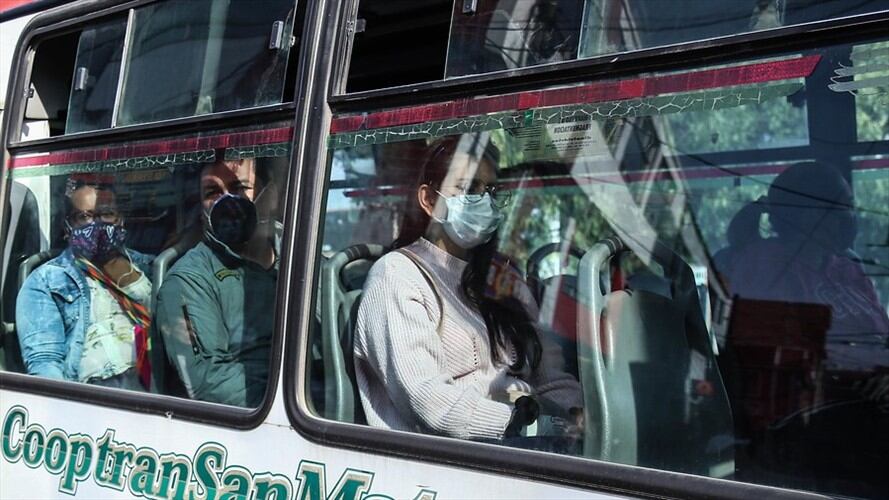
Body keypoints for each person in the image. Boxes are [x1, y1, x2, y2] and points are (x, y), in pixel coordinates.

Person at [353, 135, 582, 442]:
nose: (484, 202)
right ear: (430, 201)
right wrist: (521, 425)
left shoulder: (502, 279)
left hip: (528, 441)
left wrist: (575, 416)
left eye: (490, 190)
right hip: (457, 455)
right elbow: (428, 400)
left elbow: (551, 376)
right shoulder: (397, 275)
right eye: (468, 188)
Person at [154, 155, 278, 407]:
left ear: (270, 195)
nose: (227, 203)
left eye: (239, 188)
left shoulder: (305, 257)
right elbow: (210, 383)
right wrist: (306, 399)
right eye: (212, 192)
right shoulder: (190, 279)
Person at [16, 176, 153, 390]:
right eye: (85, 216)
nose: (96, 225)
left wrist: (125, 273)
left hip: (158, 390)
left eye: (106, 214)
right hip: (92, 397)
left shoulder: (149, 267)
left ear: (121, 220)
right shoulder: (46, 281)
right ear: (68, 226)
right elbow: (45, 365)